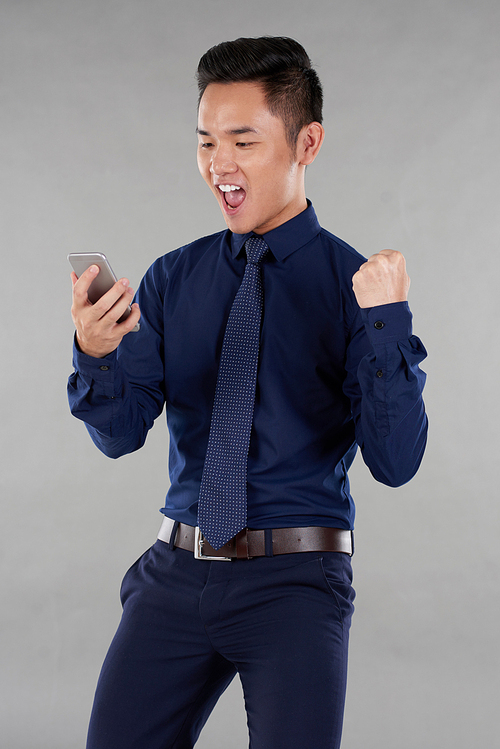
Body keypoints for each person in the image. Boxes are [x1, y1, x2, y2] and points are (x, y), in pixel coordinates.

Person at [68, 36, 427, 749]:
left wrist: (386, 323)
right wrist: (98, 352)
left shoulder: (354, 288)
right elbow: (119, 434)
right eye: (205, 141)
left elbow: (396, 460)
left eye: (242, 140)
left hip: (295, 582)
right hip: (174, 573)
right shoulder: (174, 278)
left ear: (306, 142)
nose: (217, 164)